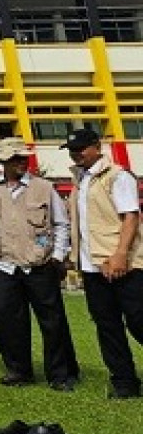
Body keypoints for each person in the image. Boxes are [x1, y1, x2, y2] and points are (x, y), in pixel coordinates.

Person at [0, 137, 80, 391]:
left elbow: (61, 223)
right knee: (10, 322)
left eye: (24, 157)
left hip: (40, 264)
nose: (22, 162)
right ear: (3, 163)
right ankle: (19, 370)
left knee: (52, 321)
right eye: (15, 158)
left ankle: (59, 374)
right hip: (3, 266)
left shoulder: (44, 187)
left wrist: (56, 255)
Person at [65, 129, 143, 399]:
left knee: (138, 320)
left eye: (81, 149)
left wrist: (121, 253)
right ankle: (124, 381)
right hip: (92, 265)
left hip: (122, 263)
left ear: (97, 147)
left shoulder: (117, 176)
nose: (77, 155)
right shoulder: (81, 179)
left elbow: (131, 217)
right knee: (107, 325)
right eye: (73, 150)